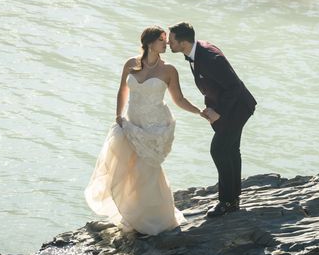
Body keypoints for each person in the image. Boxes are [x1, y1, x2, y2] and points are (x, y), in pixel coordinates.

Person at [85, 26, 206, 235]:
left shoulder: (169, 70)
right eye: (161, 40)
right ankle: (130, 213)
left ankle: (155, 219)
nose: (166, 43)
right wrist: (118, 116)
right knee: (126, 169)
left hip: (154, 128)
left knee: (148, 171)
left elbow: (178, 99)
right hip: (131, 123)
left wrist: (199, 111)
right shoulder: (131, 64)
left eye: (166, 40)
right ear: (150, 43)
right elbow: (122, 90)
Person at [168, 22, 257, 218]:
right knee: (231, 149)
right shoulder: (196, 51)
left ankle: (226, 202)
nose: (168, 43)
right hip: (232, 107)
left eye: (171, 39)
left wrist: (219, 111)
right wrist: (212, 108)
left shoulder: (209, 57)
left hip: (237, 108)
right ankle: (233, 200)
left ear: (183, 42)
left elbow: (234, 86)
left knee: (218, 150)